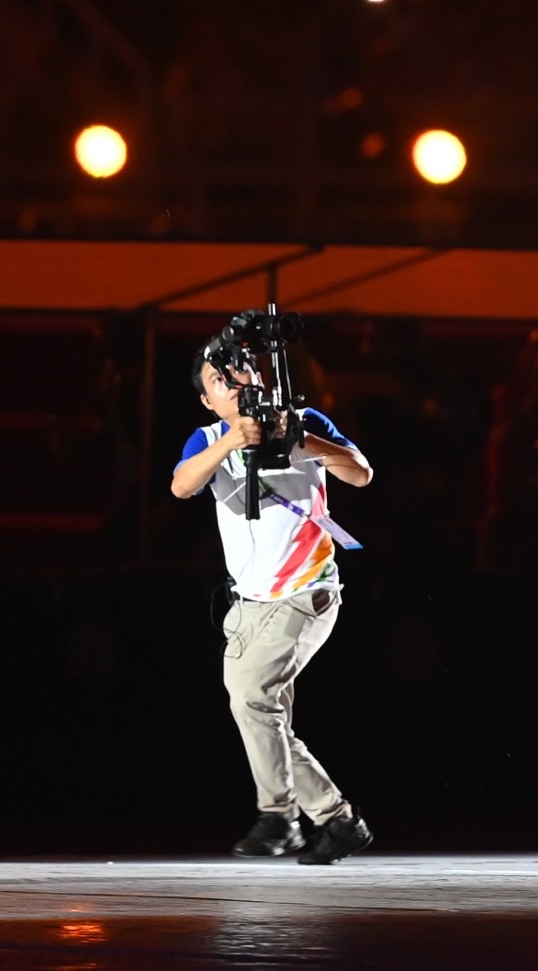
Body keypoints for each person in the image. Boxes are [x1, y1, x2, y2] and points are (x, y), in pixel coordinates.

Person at [171, 312, 376, 863]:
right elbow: (182, 486)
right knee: (264, 717)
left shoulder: (303, 421)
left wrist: (301, 440)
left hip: (307, 589)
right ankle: (337, 820)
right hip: (250, 603)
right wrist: (231, 442)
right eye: (218, 380)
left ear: (259, 375)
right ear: (208, 401)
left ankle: (279, 816)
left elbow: (361, 473)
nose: (233, 382)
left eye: (239, 370)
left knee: (251, 697)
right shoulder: (207, 438)